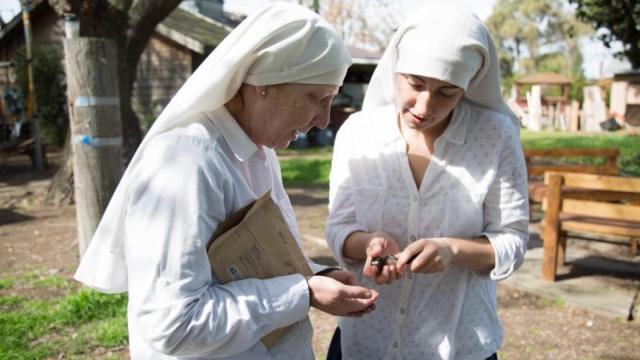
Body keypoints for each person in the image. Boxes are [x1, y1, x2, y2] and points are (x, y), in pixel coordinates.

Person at [74, 3, 378, 359]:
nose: (324, 121)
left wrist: (318, 275)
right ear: (264, 83)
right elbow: (173, 324)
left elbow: (259, 263)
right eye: (315, 98)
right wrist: (302, 293)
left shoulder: (258, 154)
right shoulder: (187, 162)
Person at [325, 4, 529, 360]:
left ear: (469, 85)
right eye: (415, 84)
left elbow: (512, 240)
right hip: (367, 339)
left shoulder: (494, 136)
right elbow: (340, 227)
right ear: (395, 69)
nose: (424, 104)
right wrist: (368, 245)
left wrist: (452, 250)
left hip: (459, 343)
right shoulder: (359, 133)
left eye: (446, 92)